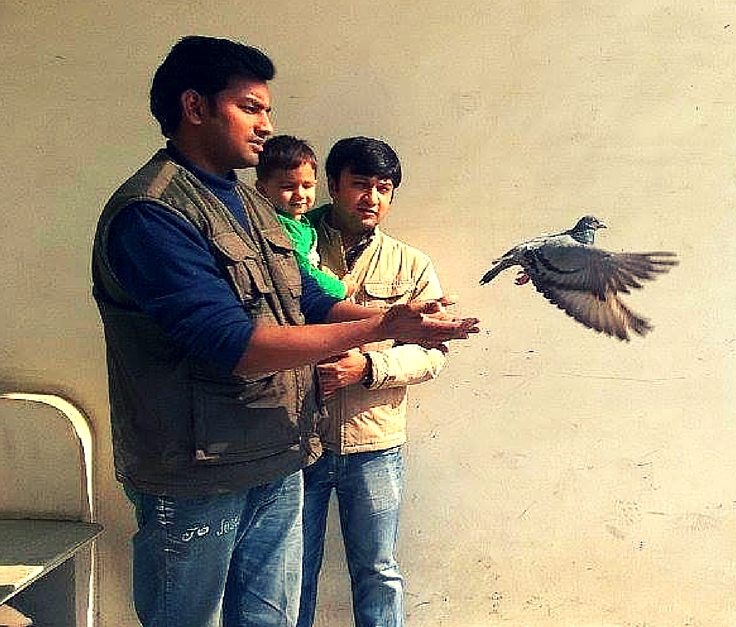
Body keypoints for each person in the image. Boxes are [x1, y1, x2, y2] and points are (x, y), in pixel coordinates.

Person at [90, 37, 478, 627]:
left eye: (267, 110)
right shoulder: (154, 213)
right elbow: (236, 347)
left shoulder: (249, 203)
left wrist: (403, 323)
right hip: (199, 471)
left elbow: (309, 296)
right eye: (251, 107)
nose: (267, 125)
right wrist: (379, 325)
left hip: (277, 455)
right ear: (195, 107)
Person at [297, 137, 444, 627]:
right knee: (291, 572)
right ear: (333, 184)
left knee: (379, 572)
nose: (371, 198)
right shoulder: (291, 243)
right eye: (360, 184)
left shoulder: (411, 264)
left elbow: (432, 352)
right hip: (297, 441)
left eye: (383, 188)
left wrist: (368, 369)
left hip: (374, 441)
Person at [255, 134, 351, 299]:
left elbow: (310, 220)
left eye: (307, 186)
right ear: (262, 190)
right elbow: (302, 272)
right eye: (288, 187)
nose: (300, 194)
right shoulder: (282, 229)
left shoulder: (295, 219)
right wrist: (342, 288)